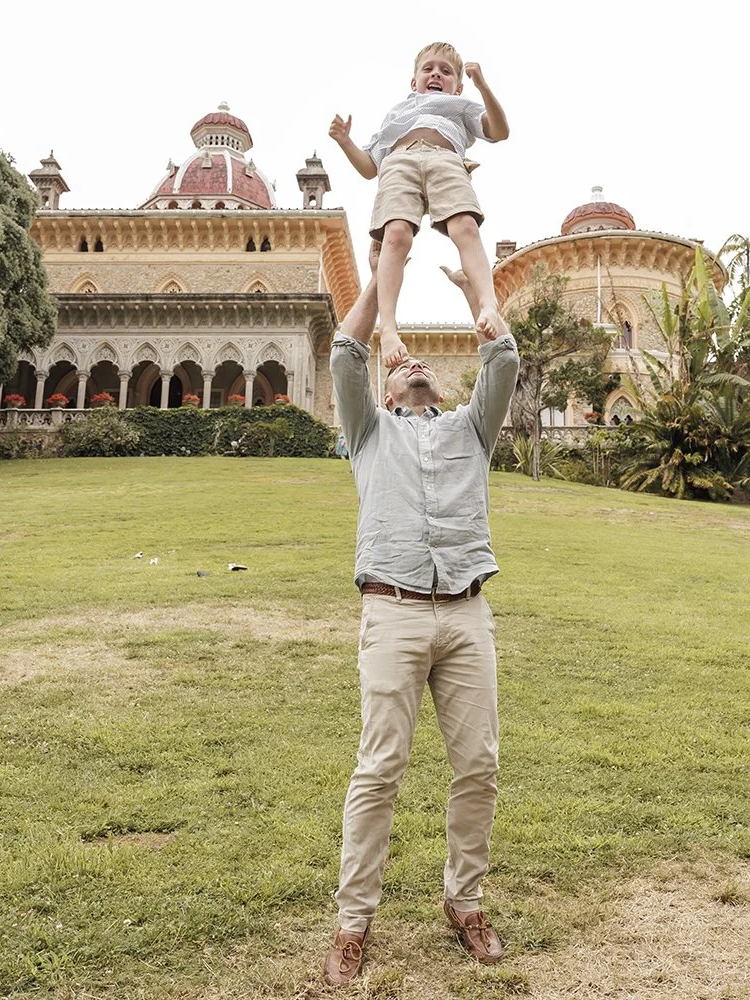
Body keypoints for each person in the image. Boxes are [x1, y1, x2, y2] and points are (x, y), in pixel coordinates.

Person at [322, 243, 519, 987]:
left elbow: (503, 363)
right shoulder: (368, 433)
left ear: (437, 379)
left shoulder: (472, 429)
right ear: (387, 379)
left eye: (420, 366)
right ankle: (353, 922)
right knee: (380, 768)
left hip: (467, 614)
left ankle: (464, 903)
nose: (411, 368)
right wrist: (384, 283)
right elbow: (345, 350)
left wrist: (480, 294)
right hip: (394, 612)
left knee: (480, 766)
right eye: (398, 366)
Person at [328, 41, 511, 371]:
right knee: (395, 236)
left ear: (457, 85)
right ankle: (388, 328)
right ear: (414, 82)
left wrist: (483, 87)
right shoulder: (396, 113)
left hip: (446, 159)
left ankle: (488, 306)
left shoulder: (461, 106)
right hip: (399, 162)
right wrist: (345, 142)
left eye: (446, 71)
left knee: (465, 227)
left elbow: (499, 131)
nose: (436, 74)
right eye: (428, 68)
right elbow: (370, 166)